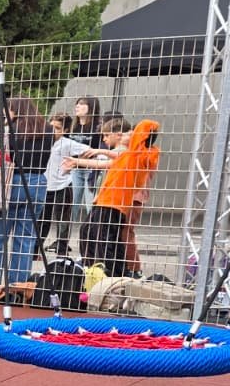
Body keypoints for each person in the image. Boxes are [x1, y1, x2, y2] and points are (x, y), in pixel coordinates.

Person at [69, 117, 159, 276]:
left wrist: (99, 151)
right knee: (94, 232)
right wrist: (77, 161)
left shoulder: (137, 154)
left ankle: (112, 270)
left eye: (132, 133)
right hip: (109, 201)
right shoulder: (133, 155)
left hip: (114, 202)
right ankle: (99, 266)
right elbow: (108, 161)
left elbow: (117, 156)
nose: (128, 134)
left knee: (108, 236)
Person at [0, 96, 52, 299]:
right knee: (25, 239)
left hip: (11, 181)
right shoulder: (47, 129)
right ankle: (17, 288)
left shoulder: (9, 130)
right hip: (38, 182)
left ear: (16, 110)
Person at [43, 113, 121, 255]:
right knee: (43, 218)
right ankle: (36, 248)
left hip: (63, 186)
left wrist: (103, 155)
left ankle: (62, 249)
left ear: (65, 131)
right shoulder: (41, 142)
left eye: (58, 128)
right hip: (44, 186)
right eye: (51, 127)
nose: (53, 131)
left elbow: (88, 151)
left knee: (63, 219)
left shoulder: (67, 143)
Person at [67, 94, 103, 211]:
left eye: (82, 104)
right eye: (77, 103)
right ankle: (65, 229)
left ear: (91, 107)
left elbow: (102, 147)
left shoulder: (98, 127)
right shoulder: (73, 126)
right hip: (75, 168)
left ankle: (91, 229)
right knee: (71, 205)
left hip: (91, 169)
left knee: (91, 205)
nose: (78, 106)